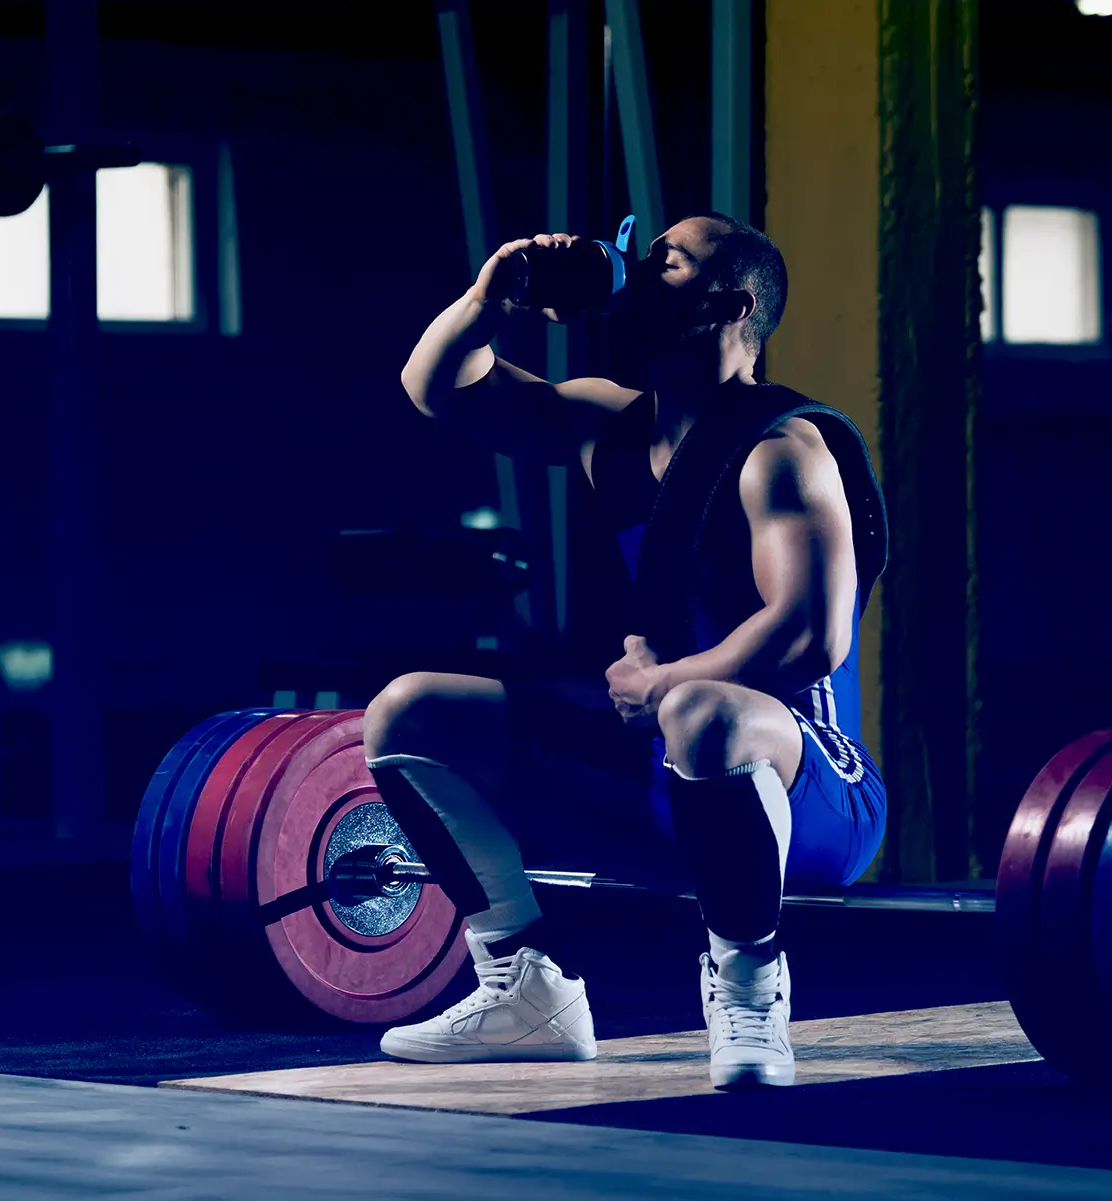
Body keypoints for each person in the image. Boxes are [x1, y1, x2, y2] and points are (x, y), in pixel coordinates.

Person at [367, 213, 887, 1088]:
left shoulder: (781, 448)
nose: (639, 274)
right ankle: (527, 987)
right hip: (661, 772)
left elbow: (812, 630)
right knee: (409, 711)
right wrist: (492, 296)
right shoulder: (608, 424)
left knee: (700, 710)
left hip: (813, 795)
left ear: (730, 304)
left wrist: (662, 684)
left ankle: (752, 992)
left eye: (668, 263)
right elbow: (437, 388)